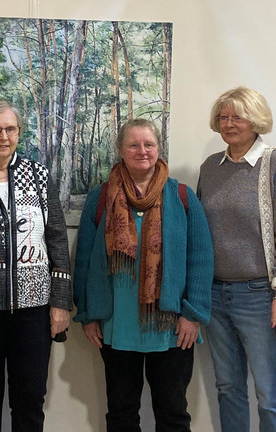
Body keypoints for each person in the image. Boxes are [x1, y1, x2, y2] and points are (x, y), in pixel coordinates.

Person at [73, 118, 214, 431]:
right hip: (116, 326)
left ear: (159, 149)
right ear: (121, 151)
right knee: (121, 414)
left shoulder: (181, 196)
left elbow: (201, 259)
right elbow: (83, 260)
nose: (142, 151)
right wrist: (87, 313)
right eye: (133, 144)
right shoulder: (101, 197)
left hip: (171, 328)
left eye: (148, 144)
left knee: (174, 413)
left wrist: (193, 315)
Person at [0, 100, 73, 432]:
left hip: (33, 310)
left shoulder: (37, 175)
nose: (3, 136)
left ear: (19, 133)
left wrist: (60, 301)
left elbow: (56, 239)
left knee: (29, 399)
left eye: (10, 129)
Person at [197, 87, 276, 432]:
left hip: (260, 296)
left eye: (238, 117)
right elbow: (200, 234)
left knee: (269, 394)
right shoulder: (211, 167)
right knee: (228, 388)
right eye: (224, 117)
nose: (229, 124)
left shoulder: (275, 163)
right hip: (215, 295)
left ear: (255, 120)